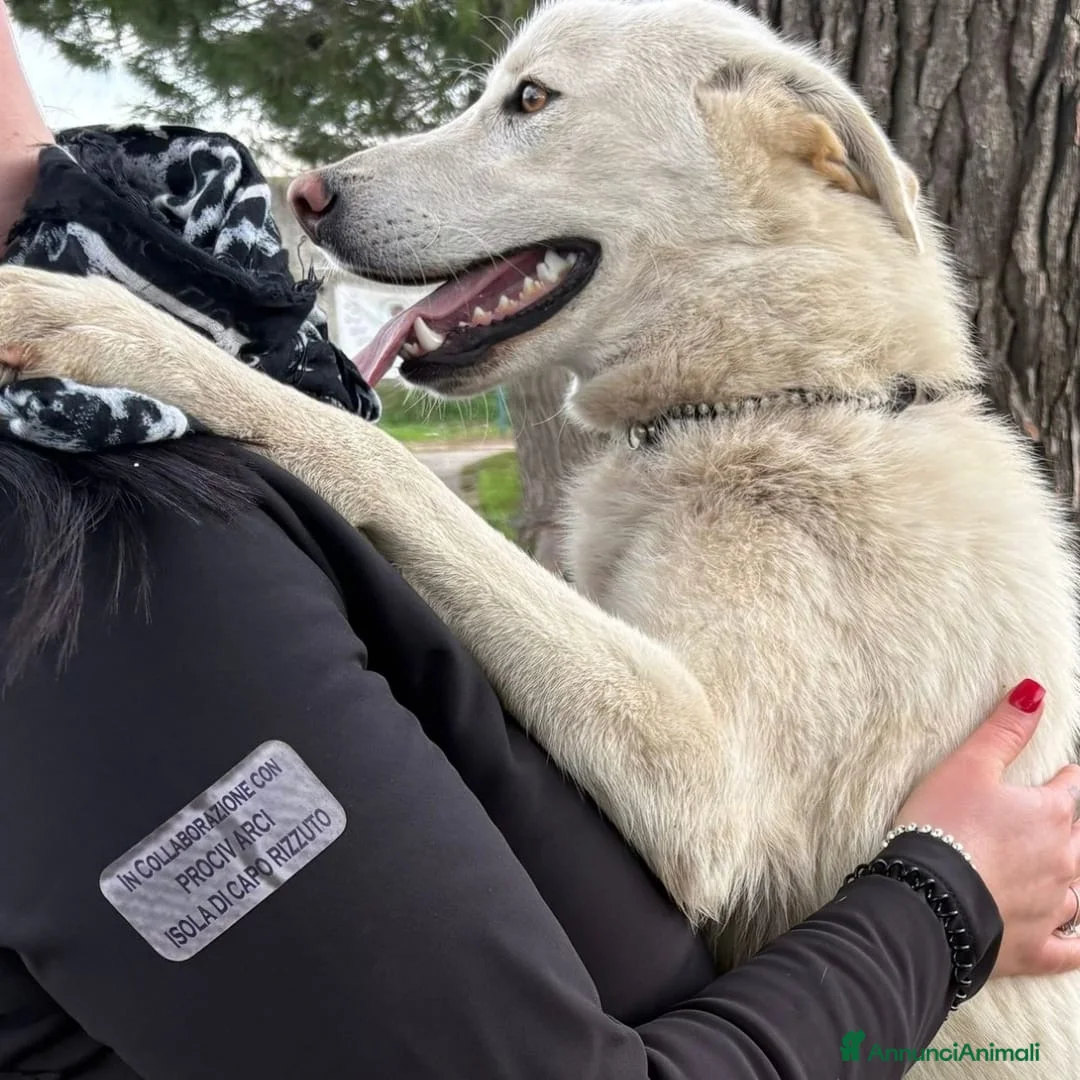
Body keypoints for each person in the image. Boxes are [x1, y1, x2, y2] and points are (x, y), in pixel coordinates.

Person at [0, 5, 1078, 1077]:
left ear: (796, 142)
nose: (329, 190)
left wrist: (319, 450)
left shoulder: (855, 488)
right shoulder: (785, 457)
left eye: (529, 103)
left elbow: (691, 812)